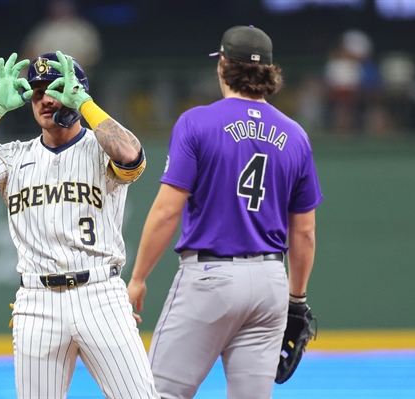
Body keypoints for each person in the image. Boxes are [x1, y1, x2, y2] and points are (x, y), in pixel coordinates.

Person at [0, 51, 159, 399]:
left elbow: (131, 157)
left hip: (100, 294)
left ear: (75, 92)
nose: (44, 99)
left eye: (55, 89)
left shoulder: (99, 148)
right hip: (36, 300)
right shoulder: (15, 157)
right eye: (36, 91)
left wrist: (85, 103)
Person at [127, 25, 324, 398]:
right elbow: (305, 233)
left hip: (210, 276)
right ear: (269, 73)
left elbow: (168, 212)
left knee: (160, 393)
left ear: (222, 66)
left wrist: (137, 277)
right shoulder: (296, 135)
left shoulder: (197, 122)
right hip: (269, 281)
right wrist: (296, 300)